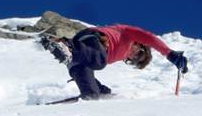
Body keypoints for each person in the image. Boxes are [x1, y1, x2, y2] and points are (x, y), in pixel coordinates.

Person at [41, 24, 188, 100]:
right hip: (93, 38)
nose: (133, 57)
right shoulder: (127, 34)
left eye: (135, 61)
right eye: (139, 54)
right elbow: (150, 38)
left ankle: (96, 91)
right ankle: (66, 46)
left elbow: (88, 63)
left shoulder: (113, 56)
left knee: (93, 96)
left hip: (77, 59)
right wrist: (170, 54)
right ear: (140, 44)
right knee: (99, 61)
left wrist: (101, 89)